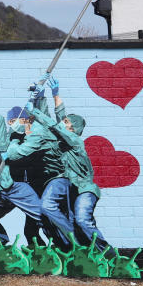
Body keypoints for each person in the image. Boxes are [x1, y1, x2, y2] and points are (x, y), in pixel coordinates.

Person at [30, 76, 111, 254]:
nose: (63, 123)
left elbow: (55, 126)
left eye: (67, 123)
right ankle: (78, 246)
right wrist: (52, 94)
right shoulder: (67, 137)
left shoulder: (74, 141)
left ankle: (109, 254)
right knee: (75, 220)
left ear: (72, 129)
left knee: (83, 220)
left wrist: (34, 111)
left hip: (84, 189)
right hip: (73, 188)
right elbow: (60, 118)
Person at [6, 84, 74, 251]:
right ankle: (41, 251)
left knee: (46, 220)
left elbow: (44, 118)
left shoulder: (35, 134)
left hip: (43, 181)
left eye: (21, 120)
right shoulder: (13, 136)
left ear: (27, 120)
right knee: (32, 227)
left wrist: (41, 96)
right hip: (26, 186)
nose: (18, 124)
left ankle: (64, 247)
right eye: (13, 121)